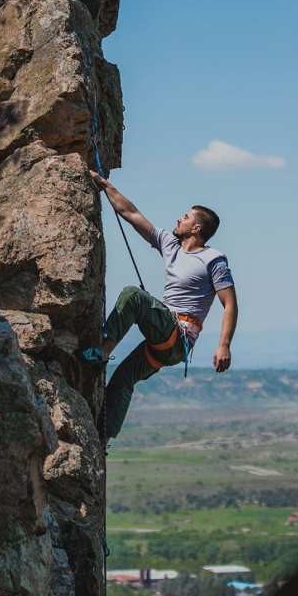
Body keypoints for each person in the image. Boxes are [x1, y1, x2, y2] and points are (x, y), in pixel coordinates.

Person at [80, 170, 239, 443]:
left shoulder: (214, 259)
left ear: (197, 228)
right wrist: (105, 185)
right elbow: (131, 214)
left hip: (178, 336)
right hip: (164, 340)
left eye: (186, 217)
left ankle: (102, 353)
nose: (179, 218)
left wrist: (224, 344)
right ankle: (102, 439)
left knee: (134, 295)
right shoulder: (171, 245)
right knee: (123, 379)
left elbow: (230, 303)